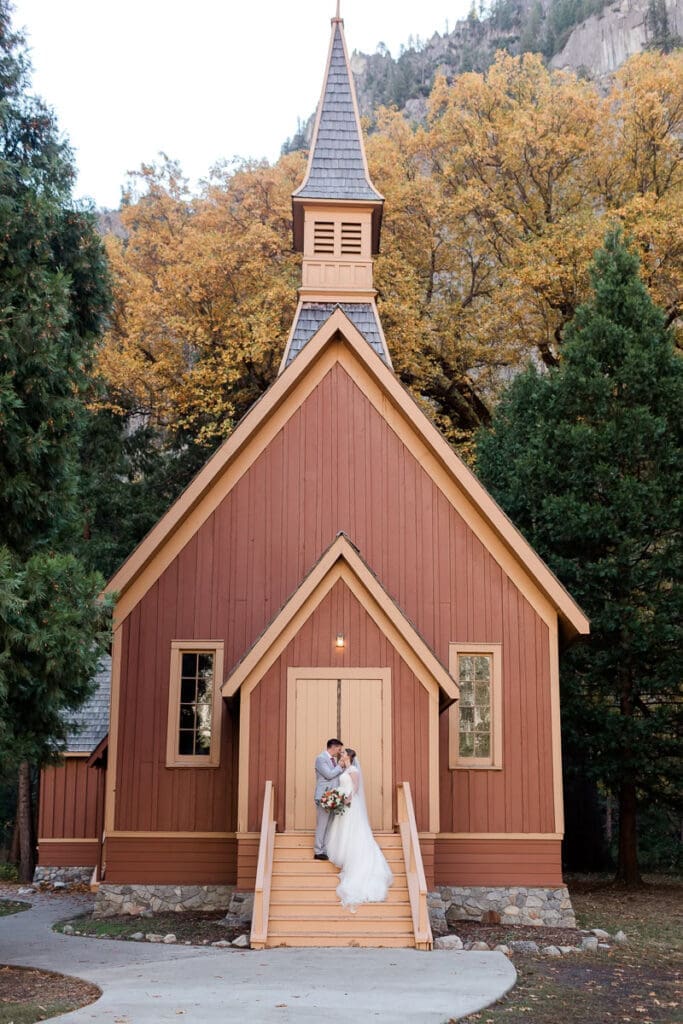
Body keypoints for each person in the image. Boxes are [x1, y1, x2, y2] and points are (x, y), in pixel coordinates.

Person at [326, 747, 393, 909]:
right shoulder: (344, 769)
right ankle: (345, 852)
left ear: (349, 756)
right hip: (343, 801)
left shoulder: (353, 769)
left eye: (343, 753)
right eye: (340, 753)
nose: (340, 755)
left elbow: (355, 786)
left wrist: (348, 798)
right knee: (342, 829)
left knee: (353, 830)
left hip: (350, 803)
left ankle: (355, 858)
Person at [313, 738, 344, 859]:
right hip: (324, 796)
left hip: (333, 796)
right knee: (322, 824)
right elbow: (329, 774)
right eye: (339, 749)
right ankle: (318, 850)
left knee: (329, 824)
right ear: (334, 747)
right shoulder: (321, 758)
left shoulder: (332, 760)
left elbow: (336, 776)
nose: (339, 751)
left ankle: (324, 849)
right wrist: (340, 766)